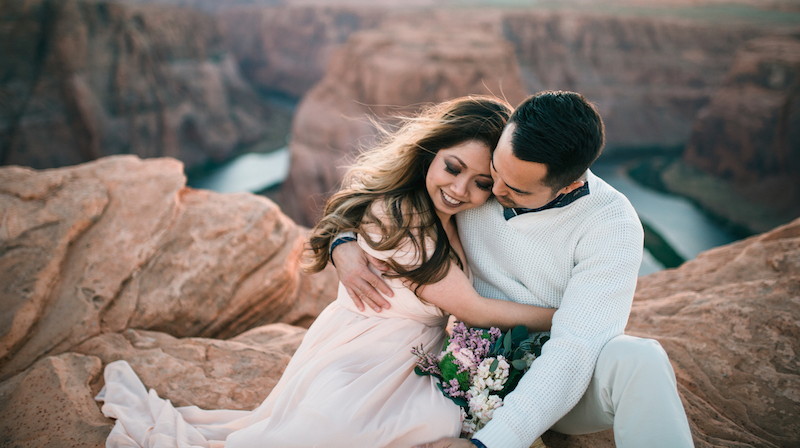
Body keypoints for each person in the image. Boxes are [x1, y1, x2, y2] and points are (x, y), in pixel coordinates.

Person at [96, 96, 557, 448]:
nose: (460, 190)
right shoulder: (407, 217)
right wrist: (566, 317)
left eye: (481, 182)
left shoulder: (444, 210)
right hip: (361, 362)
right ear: (430, 153)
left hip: (402, 360)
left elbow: (345, 216)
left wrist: (341, 243)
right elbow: (472, 308)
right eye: (452, 168)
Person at [334, 91, 695, 448]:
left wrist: (490, 443)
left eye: (517, 190)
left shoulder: (612, 225)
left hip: (560, 387)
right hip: (467, 373)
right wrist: (342, 240)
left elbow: (576, 347)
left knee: (641, 360)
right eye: (495, 170)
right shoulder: (479, 176)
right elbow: (394, 189)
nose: (494, 190)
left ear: (569, 185)